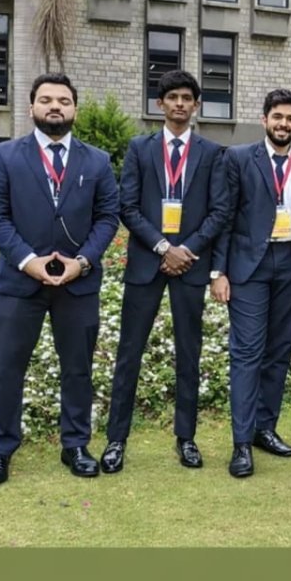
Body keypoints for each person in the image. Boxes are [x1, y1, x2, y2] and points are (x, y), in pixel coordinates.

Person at [0, 73, 120, 485]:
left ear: (75, 109)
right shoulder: (4, 156)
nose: (54, 106)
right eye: (46, 100)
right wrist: (27, 260)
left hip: (78, 285)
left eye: (63, 100)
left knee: (77, 369)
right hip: (20, 284)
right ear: (31, 108)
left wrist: (84, 261)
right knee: (8, 368)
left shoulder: (97, 161)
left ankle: (75, 445)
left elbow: (108, 217)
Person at [100, 71, 229, 474]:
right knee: (129, 354)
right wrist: (162, 247)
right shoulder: (140, 148)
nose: (179, 103)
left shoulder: (212, 153)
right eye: (172, 97)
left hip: (191, 266)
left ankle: (185, 438)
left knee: (189, 354)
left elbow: (220, 210)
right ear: (160, 105)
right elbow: (128, 206)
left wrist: (186, 250)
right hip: (147, 263)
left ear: (196, 105)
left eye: (186, 97)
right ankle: (116, 440)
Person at [210, 89, 291, 478]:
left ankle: (265, 428)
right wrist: (218, 272)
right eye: (277, 117)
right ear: (264, 120)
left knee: (279, 349)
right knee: (247, 352)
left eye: (290, 119)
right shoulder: (239, 158)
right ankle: (241, 444)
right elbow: (224, 216)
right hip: (249, 266)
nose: (283, 124)